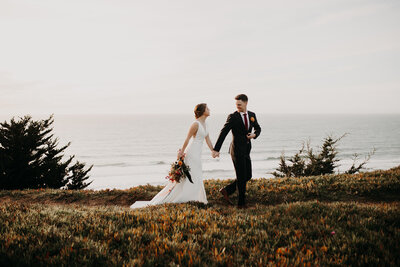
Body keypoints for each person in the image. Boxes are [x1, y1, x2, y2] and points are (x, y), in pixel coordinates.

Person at [130, 103, 214, 209]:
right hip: (192, 153)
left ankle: (194, 198)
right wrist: (181, 153)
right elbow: (187, 139)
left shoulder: (206, 124)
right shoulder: (195, 124)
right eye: (207, 108)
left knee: (197, 174)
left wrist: (213, 151)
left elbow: (207, 139)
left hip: (198, 153)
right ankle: (186, 198)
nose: (209, 109)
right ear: (202, 111)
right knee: (192, 174)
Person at [213, 94, 261, 209]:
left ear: (246, 103)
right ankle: (241, 204)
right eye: (236, 105)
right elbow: (224, 132)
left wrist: (254, 135)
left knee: (248, 175)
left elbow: (258, 128)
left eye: (239, 104)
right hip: (236, 150)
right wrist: (216, 149)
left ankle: (227, 190)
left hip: (246, 150)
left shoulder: (252, 115)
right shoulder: (233, 117)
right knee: (241, 176)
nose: (237, 106)